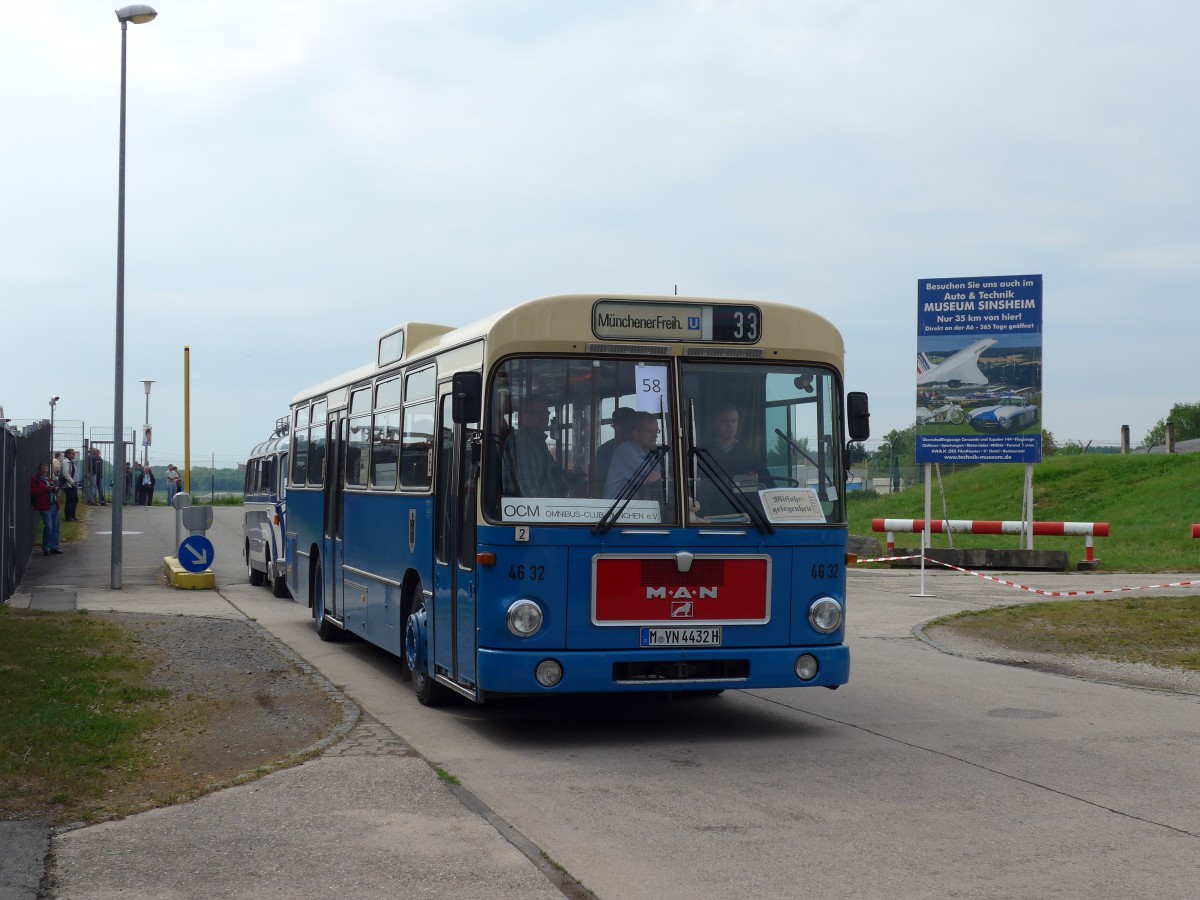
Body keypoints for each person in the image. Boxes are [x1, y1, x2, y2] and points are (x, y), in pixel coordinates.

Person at [501, 395, 569, 498]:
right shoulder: (521, 441)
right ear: (523, 416)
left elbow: (553, 471)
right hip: (535, 511)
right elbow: (528, 488)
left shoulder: (538, 441)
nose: (542, 417)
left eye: (545, 413)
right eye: (536, 413)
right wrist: (544, 511)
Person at [603, 411, 665, 500]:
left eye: (656, 431)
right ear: (636, 433)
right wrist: (660, 475)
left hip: (634, 509)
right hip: (615, 510)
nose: (655, 435)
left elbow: (663, 476)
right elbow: (651, 479)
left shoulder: (649, 453)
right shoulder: (625, 450)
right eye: (650, 431)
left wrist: (661, 475)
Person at [593, 407, 636, 495]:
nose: (627, 427)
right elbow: (599, 483)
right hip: (613, 500)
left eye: (631, 424)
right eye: (623, 423)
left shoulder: (644, 448)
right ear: (614, 426)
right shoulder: (604, 451)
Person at [31, 463, 63, 555]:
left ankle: (54, 547)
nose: (45, 470)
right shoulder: (35, 479)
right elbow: (34, 492)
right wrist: (45, 488)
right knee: (48, 526)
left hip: (53, 504)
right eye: (43, 469)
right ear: (39, 469)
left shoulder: (48, 479)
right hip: (44, 506)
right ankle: (46, 548)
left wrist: (55, 489)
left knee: (55, 527)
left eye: (46, 469)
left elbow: (52, 490)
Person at [60, 448, 80, 521]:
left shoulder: (71, 462)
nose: (73, 454)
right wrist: (72, 482)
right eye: (72, 453)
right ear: (68, 454)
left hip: (73, 484)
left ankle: (72, 516)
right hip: (68, 485)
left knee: (75, 500)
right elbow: (65, 474)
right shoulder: (65, 462)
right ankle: (68, 517)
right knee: (70, 500)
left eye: (74, 453)